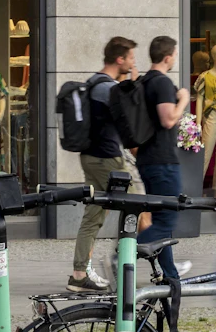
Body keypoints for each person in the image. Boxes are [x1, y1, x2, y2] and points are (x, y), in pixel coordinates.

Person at [67, 36, 138, 293]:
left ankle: (78, 275)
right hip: (107, 158)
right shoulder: (108, 88)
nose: (132, 63)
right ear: (119, 59)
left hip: (91, 156)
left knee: (94, 214)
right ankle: (117, 263)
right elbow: (128, 120)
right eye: (130, 58)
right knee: (140, 205)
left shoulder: (94, 83)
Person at [134, 35, 189, 283]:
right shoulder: (162, 83)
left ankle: (170, 275)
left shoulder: (143, 82)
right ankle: (120, 258)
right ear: (168, 57)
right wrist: (184, 101)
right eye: (175, 55)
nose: (175, 59)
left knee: (161, 221)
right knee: (166, 218)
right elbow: (168, 119)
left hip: (148, 159)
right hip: (163, 161)